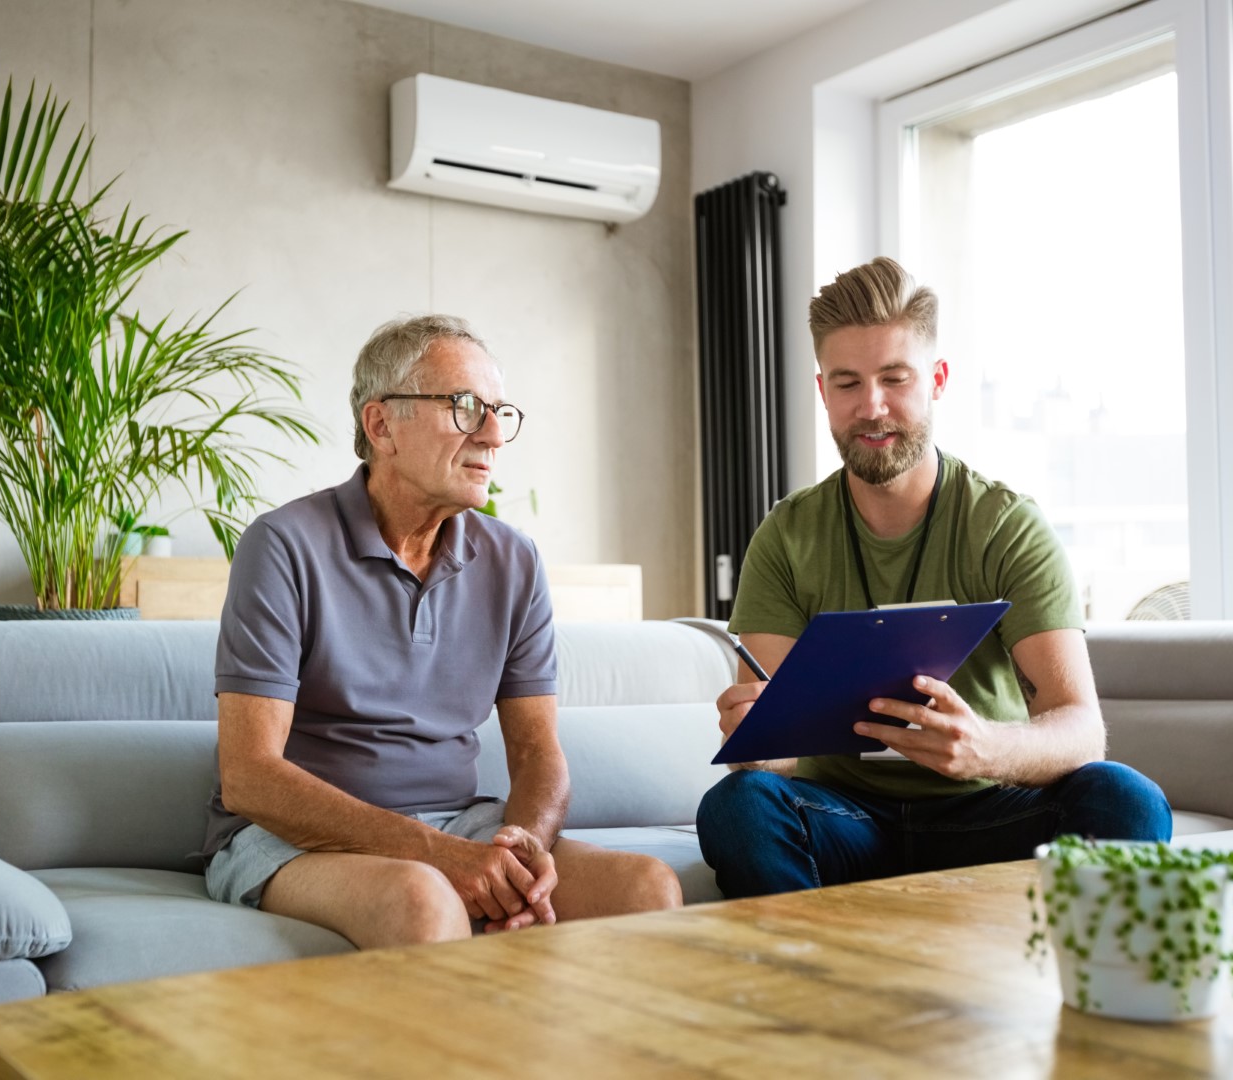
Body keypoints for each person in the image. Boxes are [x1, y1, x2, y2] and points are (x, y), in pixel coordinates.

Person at [696, 257, 1171, 898]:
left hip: (990, 808)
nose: (872, 406)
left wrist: (984, 749)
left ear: (937, 380)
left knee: (1126, 799)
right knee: (739, 804)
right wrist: (755, 742)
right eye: (847, 383)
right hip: (846, 819)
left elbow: (1081, 727)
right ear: (823, 392)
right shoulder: (787, 535)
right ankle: (810, 985)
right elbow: (777, 757)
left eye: (895, 378)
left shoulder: (1006, 525)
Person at [204, 314, 683, 947]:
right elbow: (250, 776)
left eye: (498, 411)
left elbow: (538, 753)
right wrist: (436, 854)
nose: (492, 434)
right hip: (289, 840)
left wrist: (524, 848)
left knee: (647, 888)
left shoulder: (515, 561)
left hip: (462, 826)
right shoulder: (283, 546)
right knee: (422, 899)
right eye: (463, 407)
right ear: (382, 426)